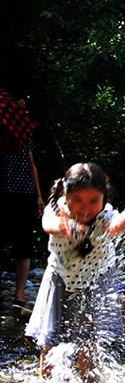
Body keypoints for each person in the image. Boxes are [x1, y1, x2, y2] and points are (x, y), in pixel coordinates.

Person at [25, 163, 125, 382]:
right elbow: (47, 223)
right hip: (60, 279)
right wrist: (65, 227)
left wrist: (122, 221)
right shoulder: (57, 208)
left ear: (103, 197)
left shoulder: (104, 214)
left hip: (93, 281)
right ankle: (45, 382)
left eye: (94, 201)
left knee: (88, 335)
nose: (85, 209)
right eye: (78, 201)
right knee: (50, 337)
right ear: (66, 195)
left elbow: (114, 224)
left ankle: (89, 380)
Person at [0, 96, 44, 310]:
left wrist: (38, 195)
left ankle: (19, 295)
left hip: (23, 192)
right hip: (7, 191)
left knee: (23, 243)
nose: (23, 104)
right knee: (19, 242)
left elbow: (32, 164)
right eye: (20, 101)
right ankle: (14, 294)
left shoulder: (23, 132)